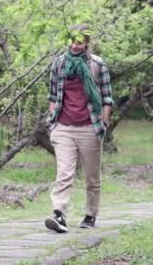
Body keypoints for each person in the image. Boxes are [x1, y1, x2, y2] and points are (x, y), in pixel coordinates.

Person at [44, 24, 113, 233]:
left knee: (92, 177)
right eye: (72, 41)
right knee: (64, 172)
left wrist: (103, 123)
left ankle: (91, 214)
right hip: (63, 127)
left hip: (89, 127)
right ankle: (59, 214)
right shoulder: (59, 63)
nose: (75, 45)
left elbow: (107, 98)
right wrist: (52, 121)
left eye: (79, 42)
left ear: (87, 43)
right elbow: (53, 95)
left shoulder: (98, 66)